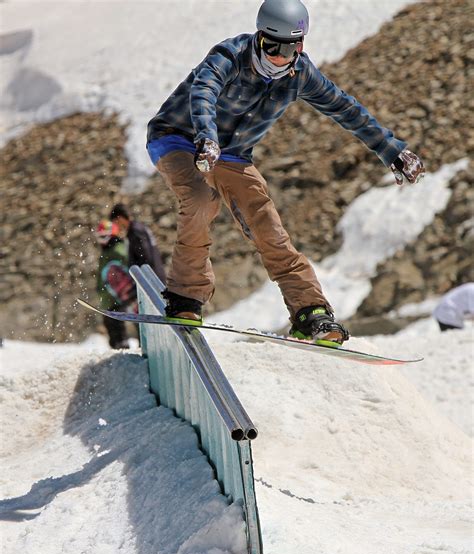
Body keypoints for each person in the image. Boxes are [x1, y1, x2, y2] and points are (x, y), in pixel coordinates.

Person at [146, 0, 425, 344]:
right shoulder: (230, 55)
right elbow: (204, 91)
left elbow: (346, 109)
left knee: (268, 226)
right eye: (271, 46)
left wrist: (393, 151)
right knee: (202, 200)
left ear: (301, 45)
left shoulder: (301, 74)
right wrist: (206, 136)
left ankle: (310, 311)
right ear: (259, 37)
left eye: (289, 47)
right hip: (179, 139)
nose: (279, 56)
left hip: (233, 155)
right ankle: (186, 296)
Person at [95, 219, 137, 349]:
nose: (102, 241)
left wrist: (129, 293)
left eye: (104, 237)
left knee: (116, 328)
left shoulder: (117, 250)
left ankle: (121, 349)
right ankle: (118, 348)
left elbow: (125, 270)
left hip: (117, 298)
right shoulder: (108, 250)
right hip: (109, 297)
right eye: (99, 237)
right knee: (111, 327)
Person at [110, 203, 167, 285]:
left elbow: (145, 258)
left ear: (120, 218)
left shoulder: (135, 231)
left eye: (115, 222)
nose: (116, 226)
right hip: (154, 278)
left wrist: (142, 279)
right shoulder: (136, 229)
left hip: (152, 281)